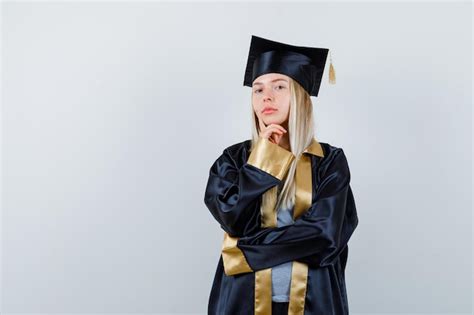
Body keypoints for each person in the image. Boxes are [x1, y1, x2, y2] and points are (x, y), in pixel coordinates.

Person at [204, 35, 359, 315]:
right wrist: (263, 160)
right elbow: (233, 218)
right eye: (258, 89)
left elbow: (324, 236)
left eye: (279, 86)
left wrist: (244, 250)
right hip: (243, 303)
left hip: (314, 302)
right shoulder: (233, 160)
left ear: (299, 95)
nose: (267, 96)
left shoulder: (329, 162)